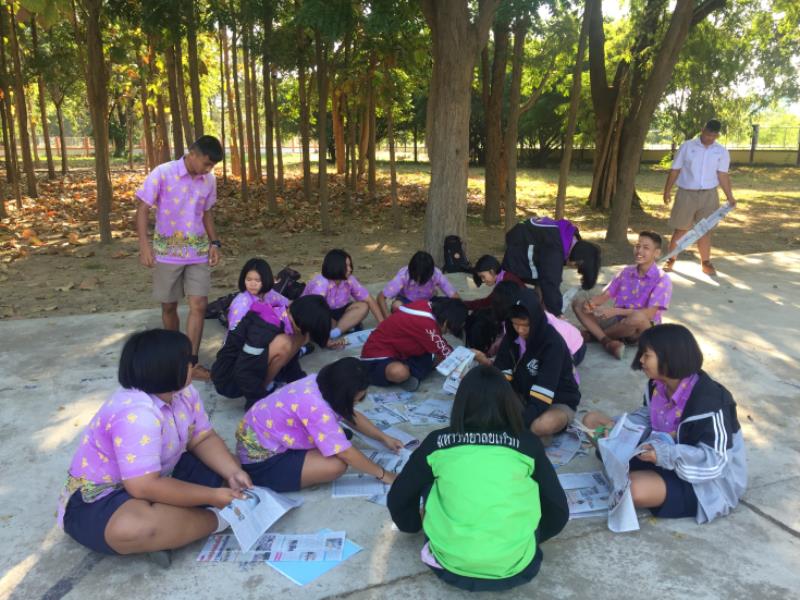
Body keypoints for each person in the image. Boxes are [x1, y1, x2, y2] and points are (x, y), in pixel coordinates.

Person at [57, 329, 252, 558]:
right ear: (165, 369)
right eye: (188, 361)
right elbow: (143, 487)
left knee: (232, 472)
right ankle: (217, 520)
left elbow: (202, 437)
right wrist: (212, 497)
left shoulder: (184, 392)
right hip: (103, 496)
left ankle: (173, 528)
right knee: (135, 528)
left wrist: (232, 472)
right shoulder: (138, 414)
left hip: (163, 471)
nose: (193, 365)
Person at [387, 365, 568, 592]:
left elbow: (399, 496)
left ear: (461, 403)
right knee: (530, 483)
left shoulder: (437, 442)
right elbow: (558, 509)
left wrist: (412, 525)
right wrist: (530, 536)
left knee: (430, 478)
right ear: (509, 402)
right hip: (517, 567)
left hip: (449, 565)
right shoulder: (528, 443)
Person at [582, 324, 746, 523]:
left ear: (669, 357)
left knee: (634, 490)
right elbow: (648, 416)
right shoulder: (657, 384)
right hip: (659, 453)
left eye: (647, 355)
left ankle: (639, 476)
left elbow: (715, 463)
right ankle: (634, 470)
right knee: (593, 423)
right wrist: (618, 426)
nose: (641, 360)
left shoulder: (711, 403)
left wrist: (665, 455)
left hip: (701, 479)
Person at [236, 358, 402, 491]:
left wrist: (383, 438)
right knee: (336, 465)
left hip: (266, 438)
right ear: (343, 396)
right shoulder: (317, 409)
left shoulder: (321, 382)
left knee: (339, 439)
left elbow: (349, 413)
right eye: (357, 399)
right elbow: (346, 454)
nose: (359, 402)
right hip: (261, 464)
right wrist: (384, 474)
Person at [136, 135, 224, 381]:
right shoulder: (163, 173)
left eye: (212, 166)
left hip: (198, 252)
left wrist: (214, 242)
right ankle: (175, 357)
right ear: (192, 154)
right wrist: (144, 246)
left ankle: (191, 363)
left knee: (199, 304)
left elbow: (206, 213)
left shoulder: (209, 180)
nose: (209, 169)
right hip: (168, 253)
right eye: (206, 163)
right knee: (169, 306)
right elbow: (142, 208)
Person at [212, 295, 331, 410]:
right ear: (303, 323)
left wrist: (302, 384)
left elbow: (291, 361)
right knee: (285, 344)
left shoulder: (288, 319)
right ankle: (266, 388)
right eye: (311, 335)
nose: (308, 339)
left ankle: (270, 383)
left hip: (248, 365)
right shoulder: (264, 328)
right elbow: (244, 371)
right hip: (228, 378)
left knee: (296, 340)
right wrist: (258, 402)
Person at [492, 289, 580, 437]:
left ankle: (530, 432)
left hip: (556, 399)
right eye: (515, 324)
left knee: (541, 426)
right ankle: (526, 433)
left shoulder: (552, 343)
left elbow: (543, 393)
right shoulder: (511, 337)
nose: (520, 330)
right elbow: (501, 371)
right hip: (523, 395)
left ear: (536, 320)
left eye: (525, 325)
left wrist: (519, 423)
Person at [572, 231, 672, 361]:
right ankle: (607, 341)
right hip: (618, 322)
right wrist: (591, 304)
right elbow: (605, 295)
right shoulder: (626, 272)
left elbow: (649, 313)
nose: (639, 250)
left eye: (646, 248)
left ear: (657, 253)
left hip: (642, 328)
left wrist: (615, 311)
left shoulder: (662, 278)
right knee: (578, 303)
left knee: (637, 317)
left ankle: (594, 336)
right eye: (637, 246)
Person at [663, 119, 736, 276]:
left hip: (709, 195)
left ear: (717, 135)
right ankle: (671, 259)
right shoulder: (687, 146)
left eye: (714, 136)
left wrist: (730, 196)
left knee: (705, 230)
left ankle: (705, 262)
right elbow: (675, 169)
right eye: (708, 134)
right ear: (703, 130)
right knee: (681, 228)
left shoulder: (721, 151)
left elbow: (723, 174)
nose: (710, 138)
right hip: (686, 193)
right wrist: (667, 191)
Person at [360, 297, 468, 391]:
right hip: (378, 356)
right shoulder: (426, 323)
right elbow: (444, 350)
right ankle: (405, 375)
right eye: (448, 330)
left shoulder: (428, 306)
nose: (446, 333)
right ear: (446, 322)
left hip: (403, 353)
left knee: (438, 358)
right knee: (399, 372)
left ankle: (410, 373)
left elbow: (440, 346)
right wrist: (463, 369)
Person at [502, 217, 601, 316]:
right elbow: (551, 282)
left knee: (544, 285)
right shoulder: (555, 249)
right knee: (540, 289)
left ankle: (539, 313)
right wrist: (557, 314)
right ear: (579, 261)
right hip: (517, 252)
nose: (571, 266)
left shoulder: (567, 237)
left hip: (522, 240)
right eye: (576, 266)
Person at [301, 249, 383, 341]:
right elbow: (315, 310)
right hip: (319, 312)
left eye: (350, 265)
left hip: (340, 310)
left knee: (363, 306)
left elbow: (369, 299)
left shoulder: (349, 279)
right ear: (335, 267)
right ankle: (343, 327)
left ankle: (336, 331)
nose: (350, 269)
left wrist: (382, 325)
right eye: (346, 266)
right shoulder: (321, 283)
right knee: (321, 320)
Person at [377, 251, 460, 318]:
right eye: (416, 278)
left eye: (423, 279)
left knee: (449, 304)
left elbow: (454, 296)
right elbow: (381, 297)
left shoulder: (436, 274)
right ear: (411, 270)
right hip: (407, 302)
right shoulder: (403, 276)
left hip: (428, 301)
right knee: (397, 306)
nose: (419, 282)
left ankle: (418, 317)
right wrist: (387, 319)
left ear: (431, 273)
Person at [227, 258, 291, 332]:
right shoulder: (240, 305)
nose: (252, 284)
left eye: (257, 280)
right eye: (248, 280)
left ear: (266, 280)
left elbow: (287, 303)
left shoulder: (268, 293)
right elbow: (234, 333)